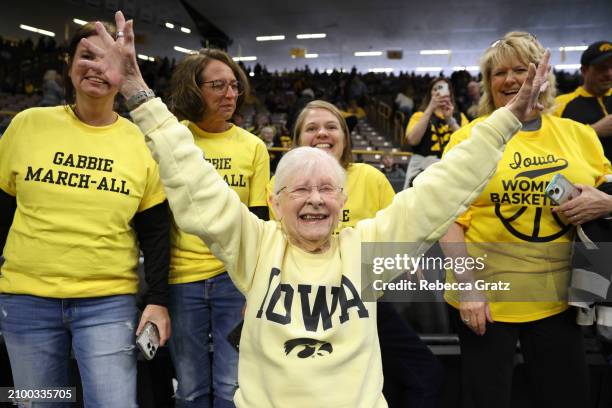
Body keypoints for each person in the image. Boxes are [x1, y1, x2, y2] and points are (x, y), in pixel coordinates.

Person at [82, 12, 547, 407]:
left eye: (328, 188)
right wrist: (140, 94)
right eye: (299, 189)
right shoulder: (255, 245)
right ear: (274, 202)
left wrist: (507, 119)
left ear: (343, 202)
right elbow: (194, 177)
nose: (316, 198)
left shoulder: (366, 247)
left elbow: (443, 189)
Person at [0, 20, 171, 407]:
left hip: (108, 303)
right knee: (42, 401)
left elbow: (156, 231)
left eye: (108, 58)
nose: (95, 66)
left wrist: (158, 299)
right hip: (26, 301)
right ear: (69, 65)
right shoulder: (27, 125)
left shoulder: (141, 142)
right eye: (86, 55)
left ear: (123, 70)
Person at [440, 32, 611, 408]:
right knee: (487, 399)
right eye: (499, 72)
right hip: (485, 303)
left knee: (567, 397)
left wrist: (605, 202)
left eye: (522, 69)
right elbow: (449, 219)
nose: (511, 79)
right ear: (487, 84)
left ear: (543, 77)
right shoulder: (468, 139)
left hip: (560, 301)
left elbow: (605, 196)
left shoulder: (580, 136)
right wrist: (468, 288)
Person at [267, 99, 441, 407]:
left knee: (424, 374)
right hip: (308, 309)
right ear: (296, 141)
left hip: (365, 304)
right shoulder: (281, 186)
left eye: (331, 127)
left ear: (345, 137)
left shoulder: (370, 178)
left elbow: (398, 232)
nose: (322, 133)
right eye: (312, 128)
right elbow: (277, 247)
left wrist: (406, 258)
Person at [164, 48, 270, 407]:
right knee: (190, 388)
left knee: (231, 387)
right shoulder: (174, 139)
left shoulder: (253, 146)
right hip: (182, 279)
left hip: (233, 281)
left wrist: (255, 288)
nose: (229, 94)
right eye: (218, 86)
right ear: (194, 89)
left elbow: (259, 222)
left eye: (234, 86)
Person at [404, 77, 469, 188]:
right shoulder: (419, 116)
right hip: (422, 171)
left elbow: (469, 144)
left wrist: (450, 120)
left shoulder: (460, 117)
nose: (440, 91)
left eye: (444, 88)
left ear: (450, 93)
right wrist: (430, 109)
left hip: (452, 169)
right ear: (430, 94)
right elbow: (412, 140)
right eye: (436, 89)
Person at [554, 40, 612, 161]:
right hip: (586, 178)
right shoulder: (559, 105)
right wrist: (593, 131)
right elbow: (551, 145)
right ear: (584, 71)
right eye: (602, 68)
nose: (609, 74)